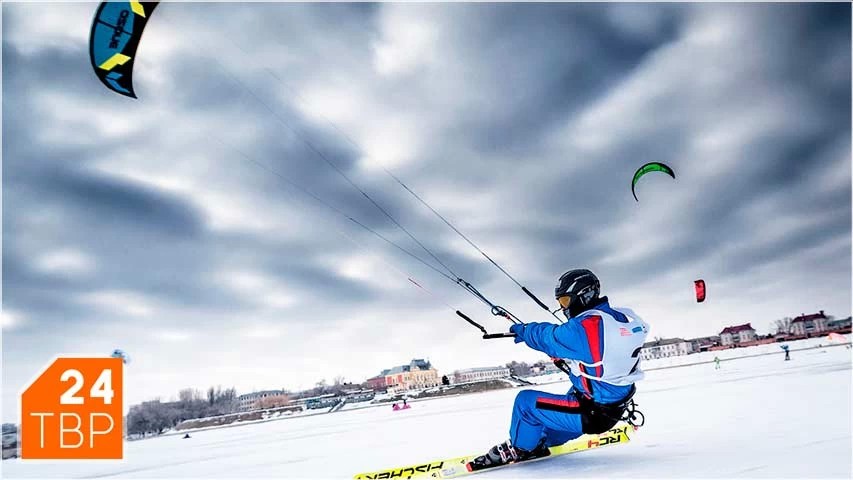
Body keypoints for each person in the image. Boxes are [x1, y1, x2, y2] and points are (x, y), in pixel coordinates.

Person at [468, 269, 649, 470]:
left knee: (525, 403)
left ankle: (519, 448)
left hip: (591, 414)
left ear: (585, 295)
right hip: (612, 403)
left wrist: (524, 330)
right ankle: (539, 442)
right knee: (548, 424)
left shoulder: (586, 327)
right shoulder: (622, 318)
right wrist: (567, 359)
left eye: (564, 301)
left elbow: (548, 337)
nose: (563, 308)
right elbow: (602, 358)